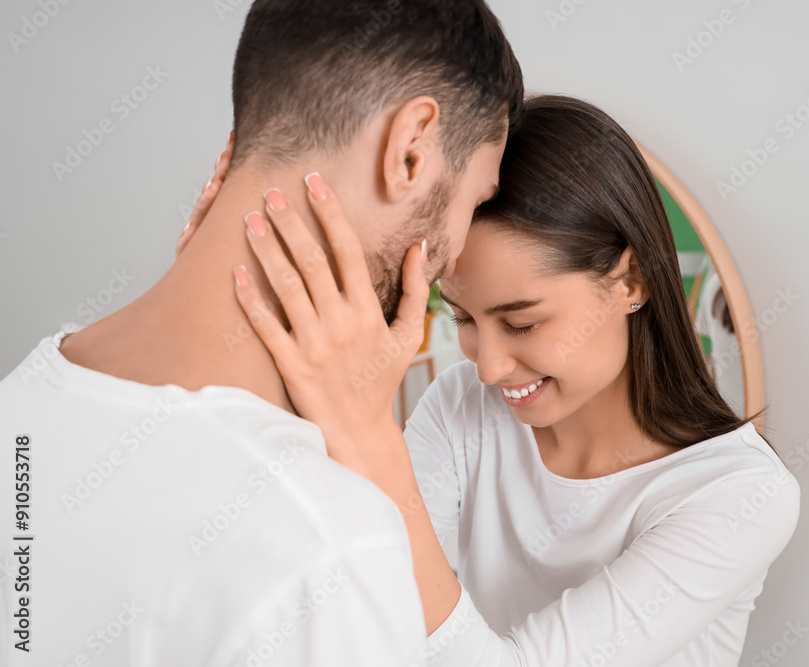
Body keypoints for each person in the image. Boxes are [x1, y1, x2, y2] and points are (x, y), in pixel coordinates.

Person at [0, 1, 522, 664]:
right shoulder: (329, 546)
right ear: (411, 152)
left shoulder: (20, 407)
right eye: (475, 199)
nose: (453, 260)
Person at [228, 95, 802, 666]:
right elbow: (346, 595)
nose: (488, 367)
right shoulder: (462, 409)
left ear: (632, 281)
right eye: (464, 320)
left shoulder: (740, 494)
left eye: (522, 323)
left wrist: (364, 426)